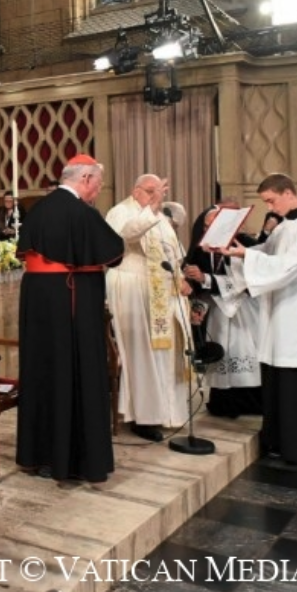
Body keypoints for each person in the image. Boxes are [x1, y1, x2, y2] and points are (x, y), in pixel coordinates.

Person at [15, 155, 124, 483]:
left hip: (37, 301)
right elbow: (115, 252)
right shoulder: (81, 212)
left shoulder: (38, 208)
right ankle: (74, 460)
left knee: (42, 373)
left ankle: (38, 456)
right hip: (70, 301)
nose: (98, 191)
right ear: (86, 178)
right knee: (73, 374)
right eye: (99, 185)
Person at [220, 174, 297, 463]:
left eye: (272, 201)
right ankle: (280, 440)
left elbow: (291, 266)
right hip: (281, 314)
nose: (270, 208)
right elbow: (265, 254)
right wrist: (237, 252)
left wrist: (247, 255)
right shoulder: (285, 227)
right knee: (278, 380)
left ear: (289, 192)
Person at [105, 174, 191, 441]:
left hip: (161, 290)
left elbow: (173, 250)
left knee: (164, 353)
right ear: (135, 190)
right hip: (132, 286)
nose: (156, 196)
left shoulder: (160, 216)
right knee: (141, 354)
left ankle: (167, 412)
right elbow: (126, 235)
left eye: (158, 191)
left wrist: (182, 277)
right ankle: (143, 417)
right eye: (149, 191)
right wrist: (151, 208)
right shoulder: (120, 211)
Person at [184, 205, 262, 418]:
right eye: (208, 224)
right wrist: (193, 284)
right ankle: (223, 403)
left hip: (244, 310)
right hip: (216, 312)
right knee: (223, 355)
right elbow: (195, 286)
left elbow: (245, 282)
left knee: (244, 352)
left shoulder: (246, 244)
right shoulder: (199, 249)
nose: (211, 228)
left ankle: (251, 403)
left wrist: (205, 278)